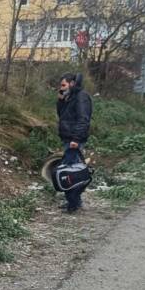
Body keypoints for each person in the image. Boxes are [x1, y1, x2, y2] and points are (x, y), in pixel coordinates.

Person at [56, 72, 93, 213]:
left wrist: (76, 139)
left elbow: (83, 120)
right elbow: (62, 115)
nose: (61, 88)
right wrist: (60, 100)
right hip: (68, 138)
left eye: (63, 85)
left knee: (72, 173)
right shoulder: (70, 97)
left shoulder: (81, 97)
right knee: (70, 171)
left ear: (72, 83)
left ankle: (73, 204)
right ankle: (74, 202)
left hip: (73, 140)